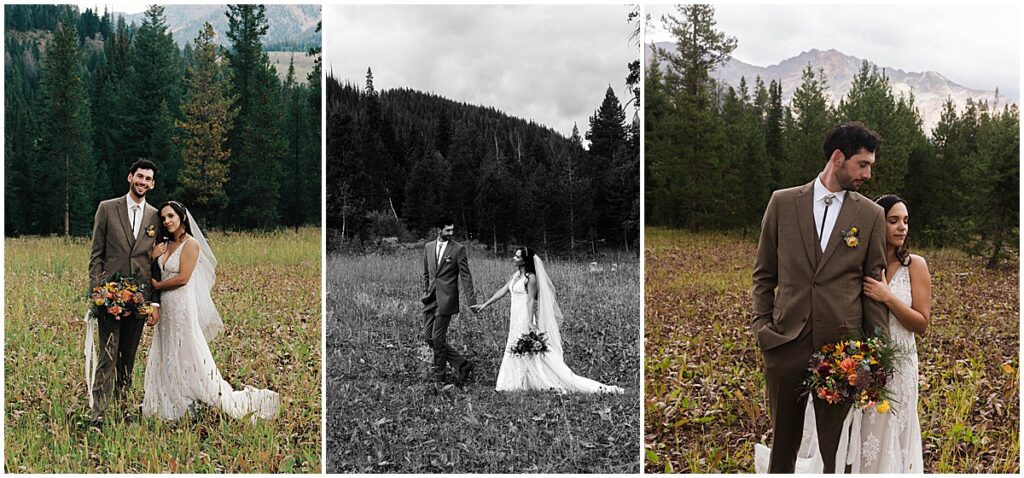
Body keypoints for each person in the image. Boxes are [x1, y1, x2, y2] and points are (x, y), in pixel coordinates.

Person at [754, 195, 930, 473]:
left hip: (899, 359)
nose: (902, 228)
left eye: (906, 221)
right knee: (856, 431)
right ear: (875, 223)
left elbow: (921, 323)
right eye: (893, 220)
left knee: (891, 430)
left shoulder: (915, 265)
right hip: (861, 359)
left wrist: (887, 297)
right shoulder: (859, 261)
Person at [751, 122, 889, 473]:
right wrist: (762, 328)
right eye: (863, 164)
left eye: (871, 165)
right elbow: (764, 274)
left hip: (842, 352)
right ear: (838, 158)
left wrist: (876, 357)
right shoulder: (782, 203)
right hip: (784, 343)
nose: (868, 174)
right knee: (783, 445)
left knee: (835, 450)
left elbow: (873, 289)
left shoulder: (871, 215)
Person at [141, 201, 279, 422]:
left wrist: (157, 286)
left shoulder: (191, 244)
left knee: (186, 347)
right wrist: (151, 255)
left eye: (171, 217)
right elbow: (155, 268)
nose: (167, 221)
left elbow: (184, 278)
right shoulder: (164, 245)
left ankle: (195, 391)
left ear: (182, 217)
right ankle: (170, 396)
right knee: (166, 348)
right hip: (166, 305)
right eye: (164, 218)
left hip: (181, 303)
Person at [471, 246, 623, 393]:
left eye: (517, 256)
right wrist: (485, 304)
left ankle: (536, 378)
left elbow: (530, 300)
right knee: (515, 345)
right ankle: (516, 380)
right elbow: (503, 291)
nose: (514, 258)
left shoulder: (530, 278)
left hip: (524, 316)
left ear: (525, 260)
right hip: (514, 316)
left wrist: (530, 321)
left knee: (526, 346)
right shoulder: (515, 275)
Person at [87, 158, 162, 427]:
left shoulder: (155, 216)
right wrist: (97, 291)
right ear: (130, 177)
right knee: (107, 357)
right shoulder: (107, 209)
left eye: (148, 179)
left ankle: (122, 410)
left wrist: (154, 301)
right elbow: (96, 254)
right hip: (110, 296)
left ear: (152, 184)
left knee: (127, 358)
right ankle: (98, 414)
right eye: (139, 176)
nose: (143, 182)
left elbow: (155, 263)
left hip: (140, 298)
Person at [421, 217, 477, 384]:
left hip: (447, 299)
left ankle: (440, 377)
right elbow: (426, 273)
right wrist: (425, 290)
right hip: (430, 298)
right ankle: (462, 363)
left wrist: (471, 301)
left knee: (438, 339)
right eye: (448, 230)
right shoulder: (428, 247)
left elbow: (466, 277)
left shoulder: (458, 249)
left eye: (452, 230)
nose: (451, 233)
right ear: (439, 230)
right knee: (428, 337)